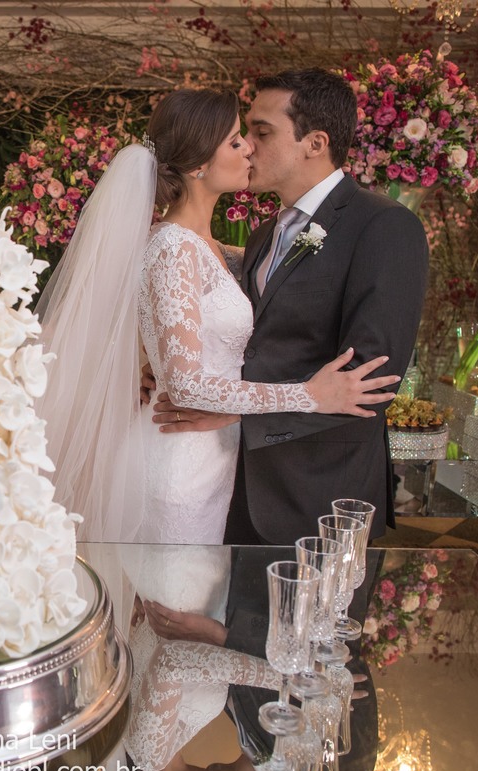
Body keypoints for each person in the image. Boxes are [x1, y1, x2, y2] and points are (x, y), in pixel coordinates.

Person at [37, 88, 399, 547]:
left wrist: (153, 365)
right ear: (196, 166)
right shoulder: (172, 248)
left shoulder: (224, 249)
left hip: (219, 461)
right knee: (177, 604)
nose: (248, 146)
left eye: (251, 135)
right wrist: (308, 395)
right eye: (235, 141)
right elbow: (186, 385)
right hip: (180, 465)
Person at [147, 69, 430, 545]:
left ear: (314, 142)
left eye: (260, 132)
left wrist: (238, 413)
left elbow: (370, 377)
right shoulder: (263, 234)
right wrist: (150, 361)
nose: (248, 147)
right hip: (234, 485)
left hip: (321, 497)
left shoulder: (383, 227)